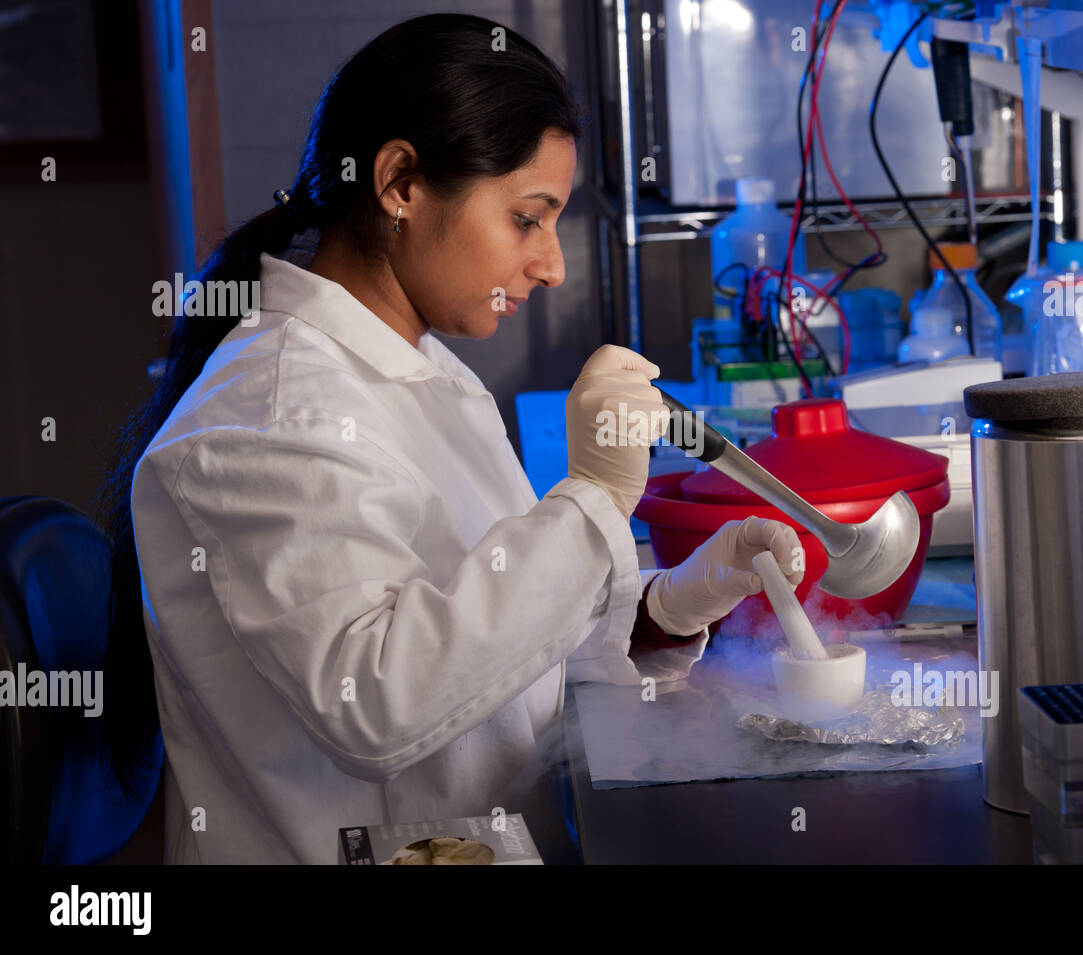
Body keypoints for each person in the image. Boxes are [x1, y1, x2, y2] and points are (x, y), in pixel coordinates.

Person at [94, 13, 801, 864]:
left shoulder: (414, 366)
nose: (553, 265)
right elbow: (376, 699)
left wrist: (663, 607)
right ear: (399, 183)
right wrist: (593, 505)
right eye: (528, 218)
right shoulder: (269, 417)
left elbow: (486, 648)